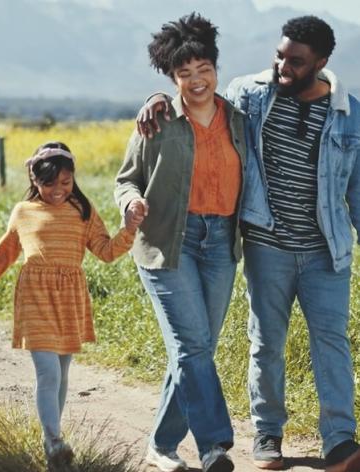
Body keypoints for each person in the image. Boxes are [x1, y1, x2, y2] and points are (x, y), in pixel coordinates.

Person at [137, 15, 360, 472]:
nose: (283, 66)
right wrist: (157, 96)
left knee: (330, 342)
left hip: (326, 251)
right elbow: (194, 95)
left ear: (320, 62)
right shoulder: (251, 95)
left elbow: (356, 190)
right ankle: (265, 435)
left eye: (295, 61)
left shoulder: (350, 114)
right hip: (265, 244)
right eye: (279, 55)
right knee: (263, 343)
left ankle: (340, 440)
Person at [116, 13, 247, 472]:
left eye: (203, 70)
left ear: (215, 67)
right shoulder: (157, 121)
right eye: (183, 74)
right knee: (192, 345)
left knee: (195, 350)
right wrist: (130, 204)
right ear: (173, 79)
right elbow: (126, 180)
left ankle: (161, 444)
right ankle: (215, 445)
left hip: (220, 245)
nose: (196, 81)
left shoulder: (240, 120)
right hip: (168, 243)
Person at [0, 141, 142, 470]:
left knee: (63, 373)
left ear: (73, 179)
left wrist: (129, 228)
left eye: (65, 183)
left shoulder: (83, 211)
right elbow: (3, 254)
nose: (58, 190)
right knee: (48, 372)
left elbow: (106, 251)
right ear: (34, 180)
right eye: (49, 183)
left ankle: (50, 442)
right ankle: (54, 441)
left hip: (69, 299)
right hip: (35, 298)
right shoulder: (23, 212)